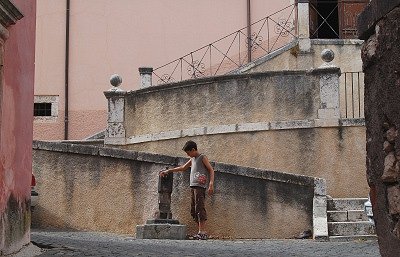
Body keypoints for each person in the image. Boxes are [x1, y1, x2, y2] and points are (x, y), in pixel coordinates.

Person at [159, 140, 215, 240]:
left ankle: (202, 232)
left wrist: (211, 183)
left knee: (199, 208)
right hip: (193, 186)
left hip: (200, 187)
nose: (188, 155)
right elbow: (183, 167)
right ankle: (200, 231)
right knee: (193, 210)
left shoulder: (202, 157)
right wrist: (169, 170)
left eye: (188, 152)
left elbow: (211, 169)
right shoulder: (192, 159)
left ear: (193, 149)